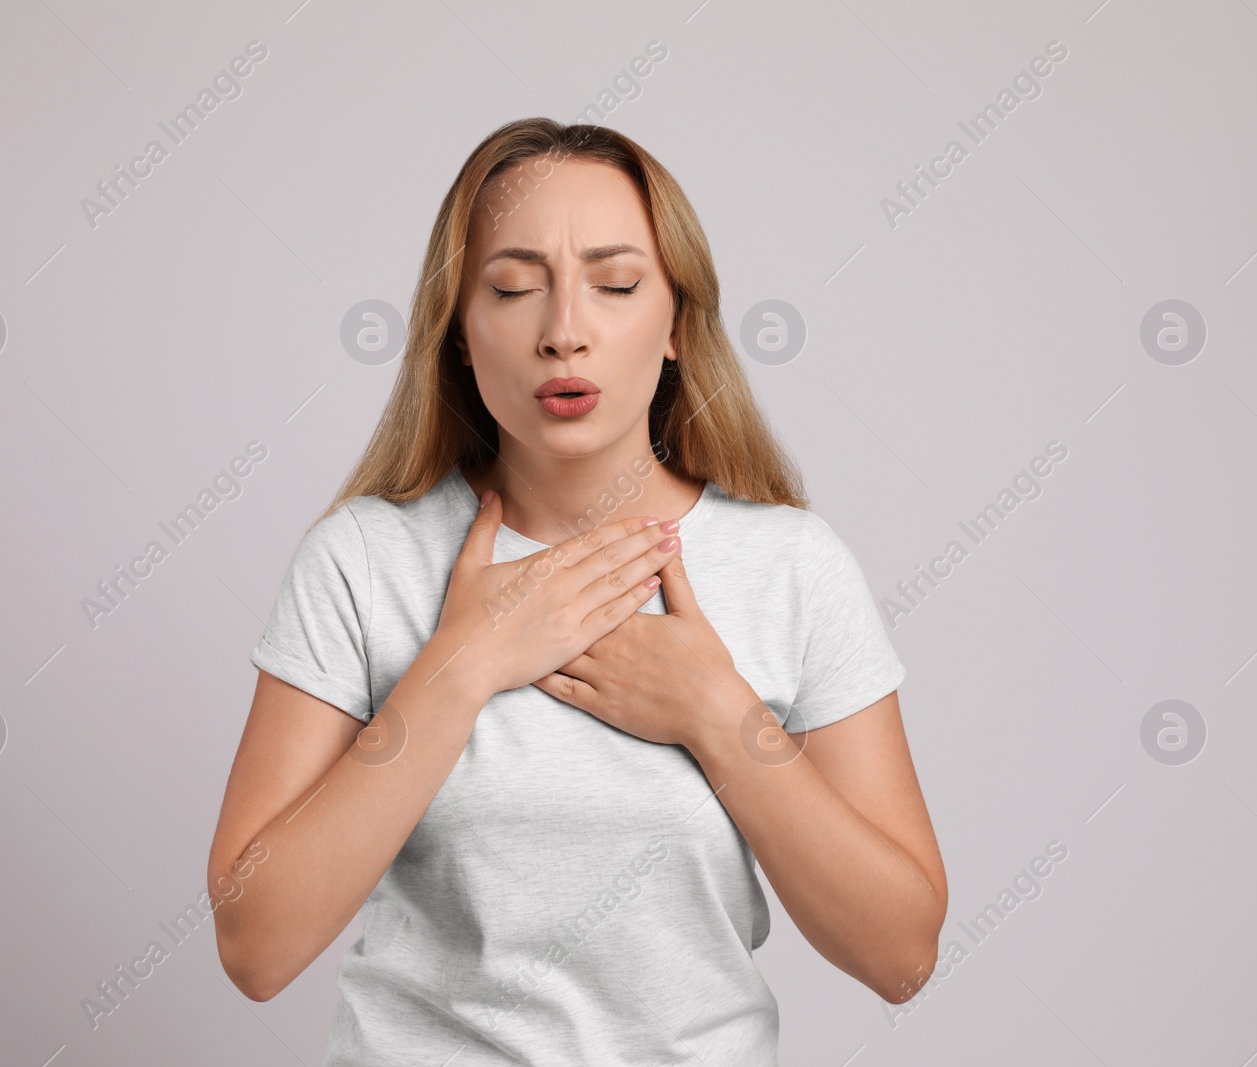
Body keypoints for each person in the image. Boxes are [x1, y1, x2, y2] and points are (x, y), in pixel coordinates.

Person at [207, 117, 947, 1065]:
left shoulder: (792, 566)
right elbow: (254, 945)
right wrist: (457, 670)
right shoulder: (362, 560)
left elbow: (903, 955)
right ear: (461, 335)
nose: (564, 332)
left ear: (678, 322)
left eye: (616, 285)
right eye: (513, 289)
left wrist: (719, 717)